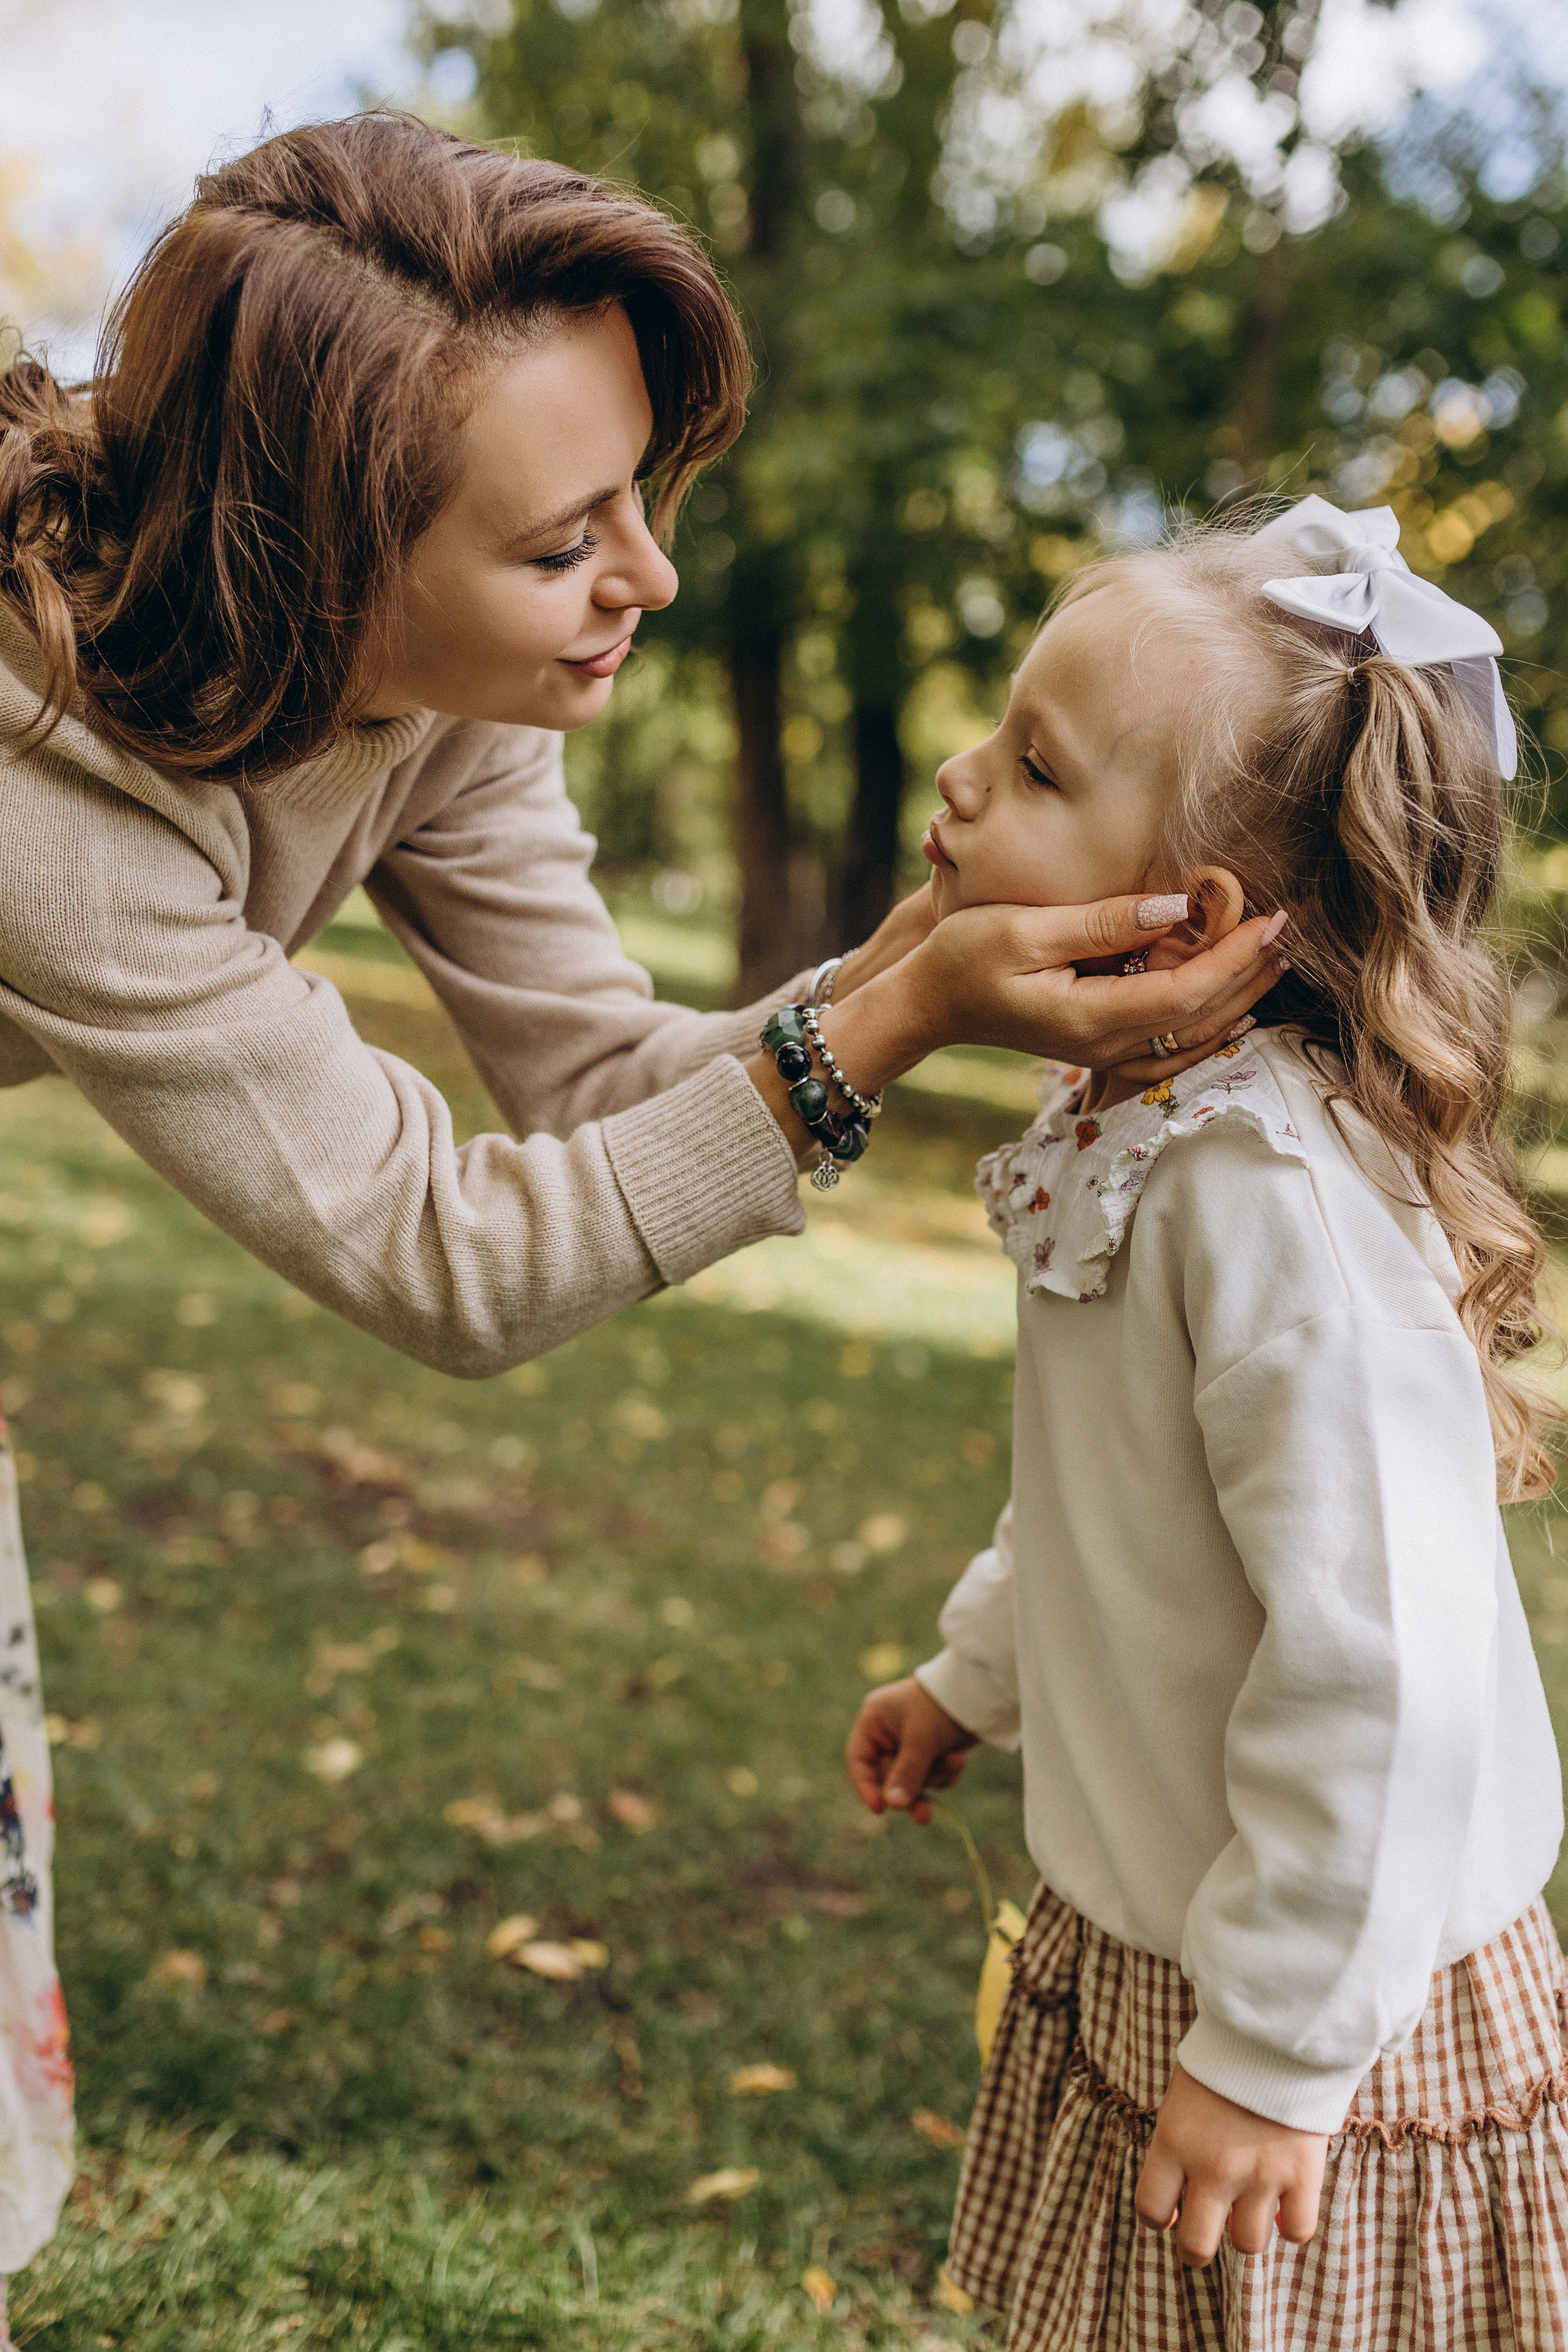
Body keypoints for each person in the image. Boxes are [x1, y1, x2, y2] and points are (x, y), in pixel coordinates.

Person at [0, 114, 1282, 2310]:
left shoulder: (442, 692)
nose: (651, 578)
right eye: (560, 540)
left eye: (637, 496)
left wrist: (931, 952)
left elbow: (602, 1084)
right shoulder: (47, 797)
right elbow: (450, 1258)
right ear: (325, 561)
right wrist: (899, 1019)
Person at [846, 497, 1568, 2349]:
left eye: (1036, 765)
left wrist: (1274, 2050)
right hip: (1165, 1925)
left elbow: (1386, 1662)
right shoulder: (1128, 1125)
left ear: (1198, 914)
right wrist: (972, 1678)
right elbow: (1106, 1513)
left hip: (1325, 1990)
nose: (961, 772)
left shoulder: (1271, 1201)